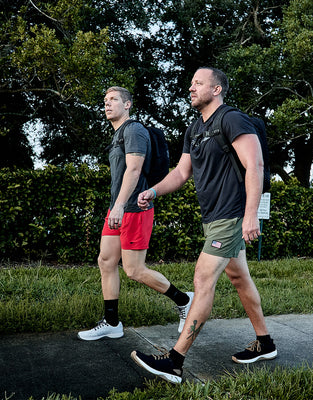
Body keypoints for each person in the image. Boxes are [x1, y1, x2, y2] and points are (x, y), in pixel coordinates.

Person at [131, 68, 277, 383]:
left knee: (202, 279)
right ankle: (265, 343)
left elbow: (255, 164)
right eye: (192, 82)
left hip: (232, 213)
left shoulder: (232, 119)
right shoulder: (195, 128)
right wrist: (154, 190)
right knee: (239, 278)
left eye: (198, 83)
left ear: (217, 88)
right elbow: (182, 173)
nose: (191, 87)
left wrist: (250, 214)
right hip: (213, 217)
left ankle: (174, 361)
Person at [77, 86, 193, 341]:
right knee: (106, 261)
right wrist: (115, 206)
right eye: (105, 100)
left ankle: (184, 300)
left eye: (113, 100)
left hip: (133, 209)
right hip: (117, 208)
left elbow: (134, 170)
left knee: (134, 270)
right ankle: (111, 322)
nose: (107, 104)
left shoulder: (134, 130)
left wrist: (119, 206)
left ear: (127, 104)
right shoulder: (118, 134)